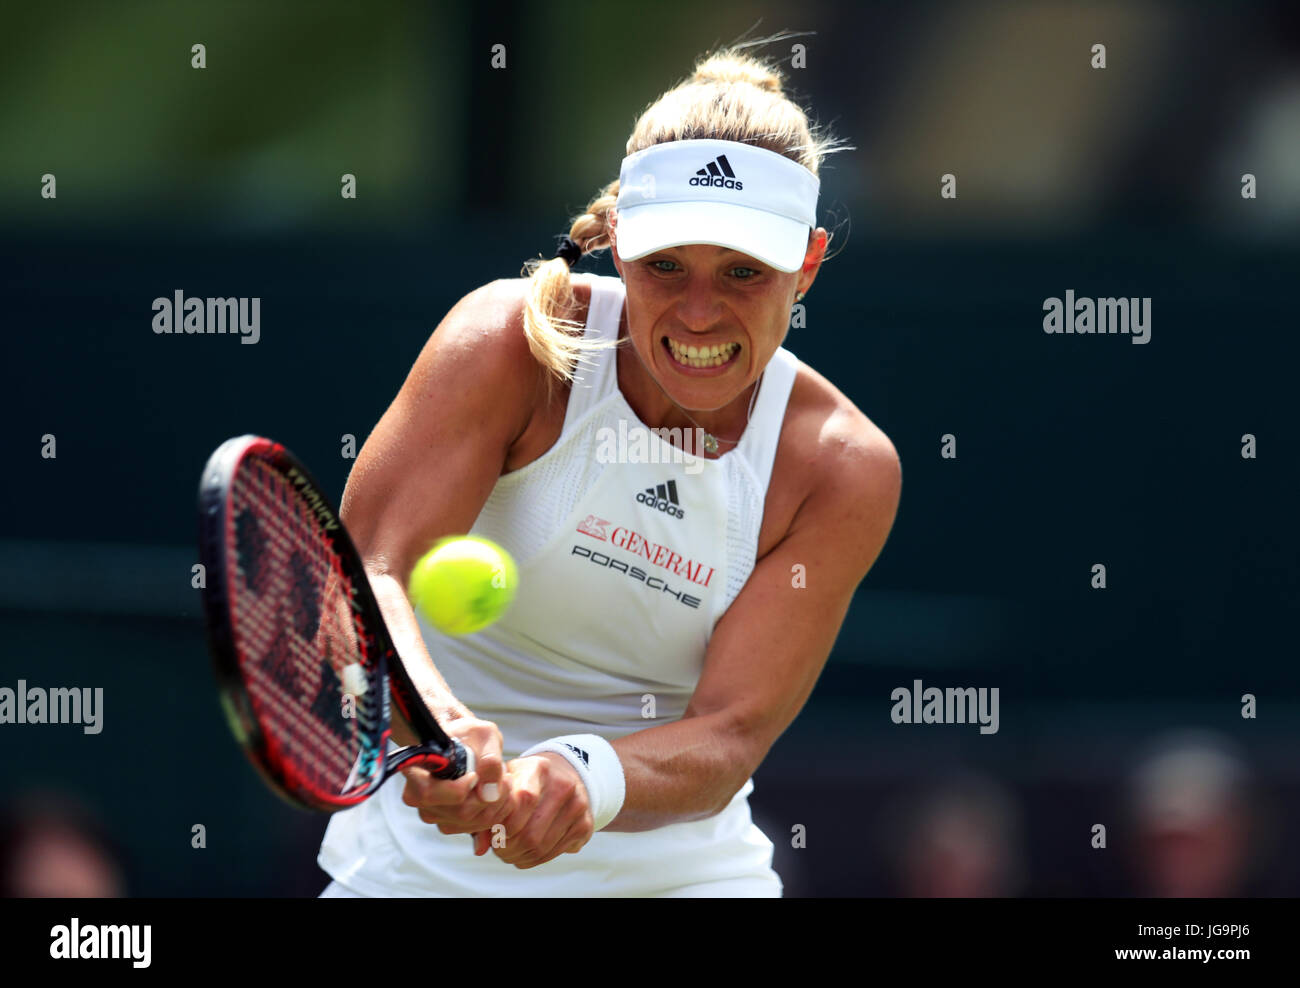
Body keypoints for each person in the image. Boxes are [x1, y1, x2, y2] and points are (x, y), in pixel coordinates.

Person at [317, 45, 901, 897]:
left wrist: (584, 775)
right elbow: (365, 575)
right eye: (666, 265)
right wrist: (437, 723)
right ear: (618, 243)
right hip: (412, 876)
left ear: (807, 265)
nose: (699, 312)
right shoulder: (505, 344)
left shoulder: (841, 467)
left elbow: (730, 733)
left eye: (743, 273)